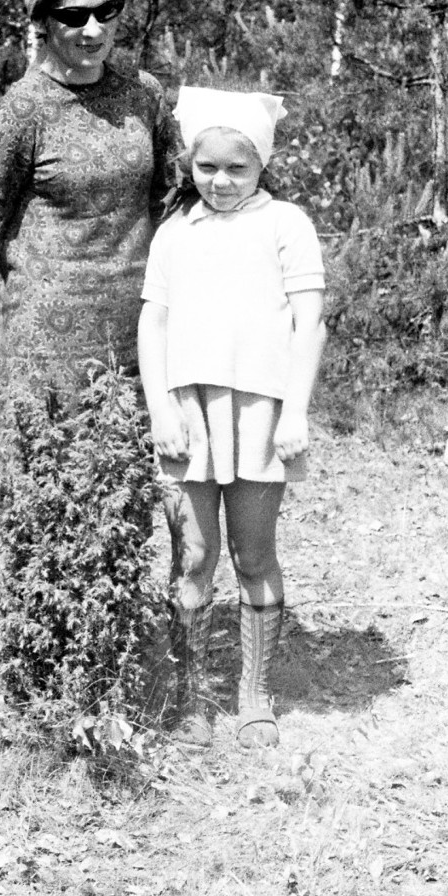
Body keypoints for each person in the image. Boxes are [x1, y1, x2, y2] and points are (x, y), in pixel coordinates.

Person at [138, 86, 326, 749]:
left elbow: (309, 323)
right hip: (189, 416)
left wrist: (294, 410)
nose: (219, 181)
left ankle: (255, 696)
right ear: (190, 163)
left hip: (259, 415)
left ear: (262, 167)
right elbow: (152, 322)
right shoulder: (173, 234)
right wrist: (161, 405)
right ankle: (190, 698)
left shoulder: (285, 225)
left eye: (236, 169)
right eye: (206, 166)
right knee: (192, 557)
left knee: (253, 554)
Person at [0, 0, 175, 394]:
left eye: (105, 12)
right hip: (46, 345)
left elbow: (168, 199)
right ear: (41, 21)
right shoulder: (20, 113)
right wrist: (46, 273)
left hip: (141, 330)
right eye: (73, 17)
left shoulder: (143, 94)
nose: (93, 30)